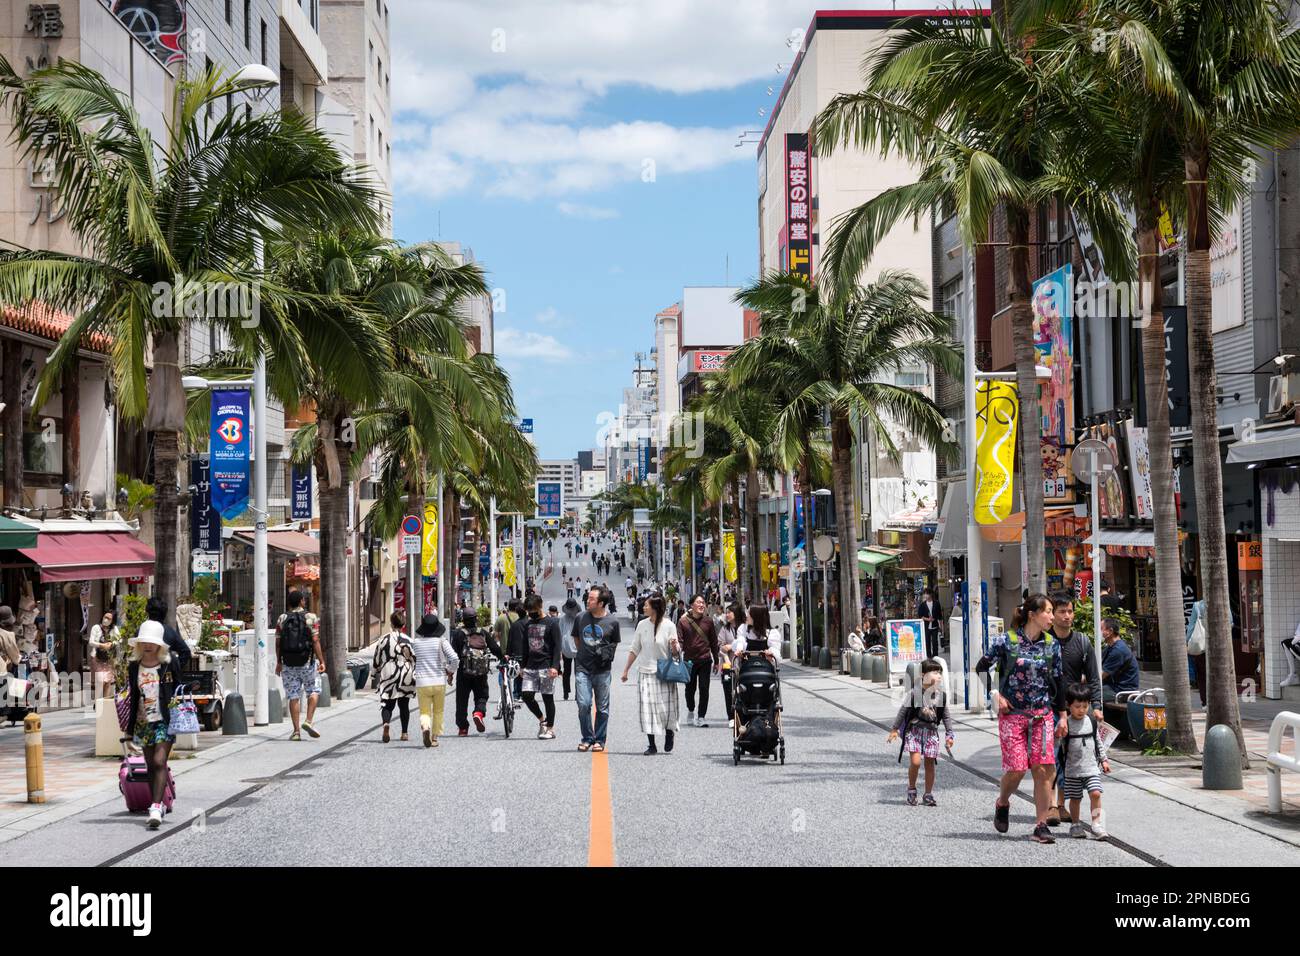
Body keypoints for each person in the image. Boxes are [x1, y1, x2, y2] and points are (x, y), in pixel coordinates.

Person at [976, 593, 1064, 844]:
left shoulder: (1051, 645)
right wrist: (995, 695)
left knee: (1044, 768)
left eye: (1052, 611)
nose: (1052, 616)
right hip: (1012, 714)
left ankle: (1041, 825)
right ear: (1032, 615)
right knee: (1016, 768)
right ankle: (1003, 802)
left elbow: (1059, 681)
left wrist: (1063, 716)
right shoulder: (1006, 641)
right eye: (1048, 611)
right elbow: (981, 667)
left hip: (1042, 715)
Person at [1048, 593, 1102, 826]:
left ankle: (1061, 805)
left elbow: (1093, 677)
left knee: (1071, 757)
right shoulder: (1044, 641)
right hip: (1048, 708)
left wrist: (1097, 706)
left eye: (1070, 611)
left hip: (1074, 710)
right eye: (1062, 611)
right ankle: (1051, 806)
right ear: (1052, 614)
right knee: (1050, 758)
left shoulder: (1082, 642)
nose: (1067, 616)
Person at [126, 621, 182, 828]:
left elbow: (178, 688)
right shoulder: (134, 666)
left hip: (164, 721)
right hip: (143, 722)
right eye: (144, 642)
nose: (148, 645)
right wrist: (129, 727)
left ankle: (156, 807)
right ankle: (158, 801)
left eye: (152, 642)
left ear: (160, 645)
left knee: (159, 762)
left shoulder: (169, 662)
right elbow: (132, 697)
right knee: (151, 765)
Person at [887, 659, 955, 806]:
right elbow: (903, 711)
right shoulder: (915, 693)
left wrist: (949, 734)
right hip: (915, 732)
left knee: (930, 764)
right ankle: (911, 789)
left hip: (931, 734)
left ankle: (928, 794)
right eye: (935, 672)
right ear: (923, 675)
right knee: (916, 762)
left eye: (940, 673)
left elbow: (946, 716)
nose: (939, 676)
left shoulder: (940, 695)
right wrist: (894, 729)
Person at [620, 594, 680, 754]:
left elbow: (675, 653)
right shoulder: (641, 624)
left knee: (665, 708)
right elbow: (635, 648)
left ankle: (669, 733)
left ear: (655, 608)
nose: (643, 607)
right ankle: (651, 745)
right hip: (645, 671)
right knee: (647, 708)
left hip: (664, 671)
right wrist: (626, 670)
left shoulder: (669, 625)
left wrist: (675, 646)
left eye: (646, 605)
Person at [1058, 682, 1111, 840]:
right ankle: (1075, 824)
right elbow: (1058, 746)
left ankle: (1096, 825)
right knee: (1075, 799)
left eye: (1085, 706)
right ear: (1068, 706)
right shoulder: (1065, 723)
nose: (1081, 710)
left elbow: (1098, 742)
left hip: (1091, 768)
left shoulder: (1091, 722)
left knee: (1095, 793)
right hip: (1073, 770)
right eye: (1077, 706)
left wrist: (1104, 760)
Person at [572, 584, 621, 752]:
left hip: (603, 670)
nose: (588, 600)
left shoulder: (613, 621)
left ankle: (599, 739)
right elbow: (577, 639)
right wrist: (584, 654)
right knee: (584, 704)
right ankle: (587, 737)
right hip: (583, 668)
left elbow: (614, 643)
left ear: (601, 603)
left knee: (602, 707)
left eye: (592, 599)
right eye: (588, 597)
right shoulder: (580, 617)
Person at [509, 595, 562, 740]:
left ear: (541, 606)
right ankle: (542, 720)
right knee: (526, 695)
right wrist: (522, 666)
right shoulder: (528, 624)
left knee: (547, 698)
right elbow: (525, 647)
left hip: (546, 665)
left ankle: (550, 729)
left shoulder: (552, 623)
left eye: (534, 610)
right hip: (531, 666)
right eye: (529, 611)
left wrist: (555, 666)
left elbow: (558, 646)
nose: (531, 613)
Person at [275, 589, 326, 742]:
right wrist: (321, 660)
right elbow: (315, 640)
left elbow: (278, 643)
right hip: (307, 662)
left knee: (293, 696)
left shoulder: (282, 618)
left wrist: (279, 662)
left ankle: (296, 731)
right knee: (314, 690)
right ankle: (308, 721)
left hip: (288, 663)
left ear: (289, 603)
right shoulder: (311, 617)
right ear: (302, 601)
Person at [452, 609, 504, 736]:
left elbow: (453, 654)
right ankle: (478, 713)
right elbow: (495, 649)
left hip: (463, 672)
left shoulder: (459, 634)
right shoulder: (483, 632)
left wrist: (450, 672)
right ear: (476, 619)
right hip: (480, 672)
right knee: (482, 695)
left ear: (463, 619)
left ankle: (463, 728)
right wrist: (504, 657)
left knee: (461, 700)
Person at [411, 613, 458, 748]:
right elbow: (454, 658)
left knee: (425, 711)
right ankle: (435, 738)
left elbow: (412, 658)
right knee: (438, 711)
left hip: (422, 682)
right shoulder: (441, 641)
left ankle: (425, 726)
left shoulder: (416, 643)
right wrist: (450, 670)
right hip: (438, 681)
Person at [372, 612, 416, 743]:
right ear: (403, 624)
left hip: (389, 671)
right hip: (405, 672)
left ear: (391, 623)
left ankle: (386, 724)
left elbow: (377, 658)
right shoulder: (408, 640)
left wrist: (374, 673)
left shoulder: (383, 639)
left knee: (387, 703)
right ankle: (404, 733)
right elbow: (414, 658)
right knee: (404, 705)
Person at [678, 594, 720, 727]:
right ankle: (691, 710)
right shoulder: (683, 622)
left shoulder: (708, 621)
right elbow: (680, 640)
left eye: (703, 602)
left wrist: (716, 660)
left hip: (705, 660)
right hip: (689, 661)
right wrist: (676, 647)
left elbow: (714, 642)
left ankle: (701, 716)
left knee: (704, 688)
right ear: (692, 605)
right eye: (698, 602)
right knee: (690, 689)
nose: (702, 605)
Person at [146, 596, 193, 673]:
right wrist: (172, 669)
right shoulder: (169, 631)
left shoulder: (141, 630)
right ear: (165, 613)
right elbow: (186, 652)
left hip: (143, 676)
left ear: (148, 612)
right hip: (163, 678)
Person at [1100, 618, 1139, 700]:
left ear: (1110, 631)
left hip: (1123, 691)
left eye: (1101, 629)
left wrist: (1082, 679)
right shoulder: (1109, 647)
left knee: (1086, 693)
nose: (1098, 632)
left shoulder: (1118, 650)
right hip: (1113, 687)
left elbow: (1100, 676)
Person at [717, 603, 742, 720]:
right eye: (726, 612)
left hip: (743, 664)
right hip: (728, 664)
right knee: (728, 691)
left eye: (729, 612)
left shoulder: (744, 628)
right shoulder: (724, 629)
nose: (726, 615)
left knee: (742, 690)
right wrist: (724, 648)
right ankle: (731, 717)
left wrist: (731, 646)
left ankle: (742, 715)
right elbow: (720, 645)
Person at [87, 610, 120, 697]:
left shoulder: (114, 629)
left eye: (109, 618)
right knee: (100, 681)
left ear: (112, 621)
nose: (106, 619)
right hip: (96, 658)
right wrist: (102, 645)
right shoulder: (96, 627)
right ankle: (98, 702)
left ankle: (105, 703)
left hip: (109, 658)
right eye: (105, 617)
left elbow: (119, 640)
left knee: (108, 682)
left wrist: (111, 644)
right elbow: (91, 642)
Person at [558, 596, 582, 700]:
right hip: (576, 648)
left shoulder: (563, 619)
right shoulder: (580, 618)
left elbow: (559, 634)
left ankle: (566, 692)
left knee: (567, 672)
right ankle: (576, 693)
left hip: (566, 649)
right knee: (578, 672)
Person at [918, 588, 944, 658]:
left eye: (927, 594)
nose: (925, 595)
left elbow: (940, 616)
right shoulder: (922, 605)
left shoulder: (936, 603)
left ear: (930, 594)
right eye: (925, 594)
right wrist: (928, 619)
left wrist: (941, 627)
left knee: (935, 642)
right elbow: (920, 616)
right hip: (926, 627)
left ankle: (935, 657)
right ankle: (929, 657)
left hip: (935, 626)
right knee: (927, 642)